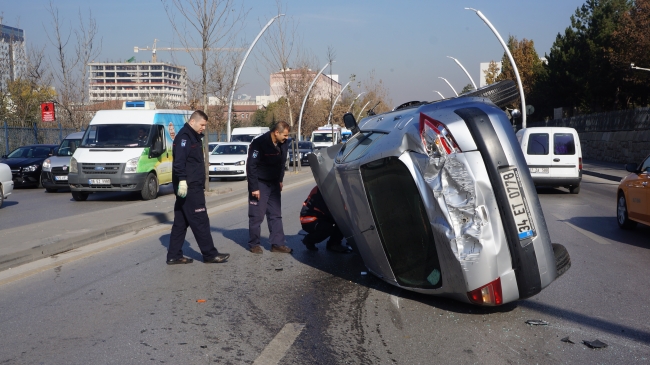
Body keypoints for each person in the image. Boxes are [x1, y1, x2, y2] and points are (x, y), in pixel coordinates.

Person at [167, 110, 229, 265]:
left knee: (180, 222)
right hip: (189, 187)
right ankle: (209, 254)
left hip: (190, 185)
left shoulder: (192, 136)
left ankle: (173, 255)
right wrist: (182, 180)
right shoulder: (185, 137)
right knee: (200, 220)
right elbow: (179, 162)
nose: (203, 128)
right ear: (193, 121)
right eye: (202, 124)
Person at [246, 121, 292, 254]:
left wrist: (280, 180)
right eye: (285, 135)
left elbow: (282, 163)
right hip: (260, 183)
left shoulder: (283, 143)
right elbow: (251, 166)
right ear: (276, 132)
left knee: (276, 215)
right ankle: (254, 244)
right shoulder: (259, 143)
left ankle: (277, 244)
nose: (286, 138)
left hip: (274, 183)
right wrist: (254, 187)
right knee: (257, 216)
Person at [300, 186, 352, 253]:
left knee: (341, 221)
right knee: (332, 226)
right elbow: (332, 212)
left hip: (320, 216)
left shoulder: (329, 187)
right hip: (309, 220)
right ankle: (309, 240)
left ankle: (334, 243)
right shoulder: (323, 192)